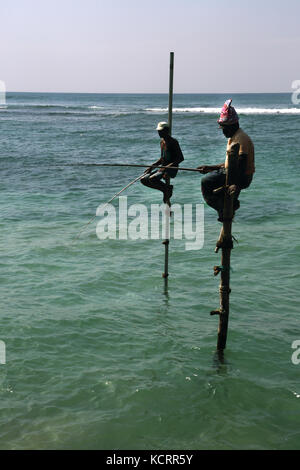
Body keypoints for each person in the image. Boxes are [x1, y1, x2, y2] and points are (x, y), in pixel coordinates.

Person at [197, 99, 255, 221]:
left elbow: (241, 164)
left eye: (224, 128)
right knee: (212, 182)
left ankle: (223, 208)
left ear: (233, 125)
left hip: (239, 177)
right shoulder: (234, 137)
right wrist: (211, 168)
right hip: (234, 174)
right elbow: (231, 163)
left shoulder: (240, 138)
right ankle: (228, 204)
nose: (222, 131)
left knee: (205, 182)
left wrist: (235, 184)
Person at [141, 122, 184, 203]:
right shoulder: (162, 142)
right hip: (163, 168)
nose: (159, 133)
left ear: (167, 130)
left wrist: (166, 167)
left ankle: (166, 189)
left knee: (152, 178)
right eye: (158, 131)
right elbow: (162, 158)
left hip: (172, 168)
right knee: (143, 179)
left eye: (161, 131)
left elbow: (180, 158)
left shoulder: (173, 142)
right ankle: (165, 189)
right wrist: (152, 166)